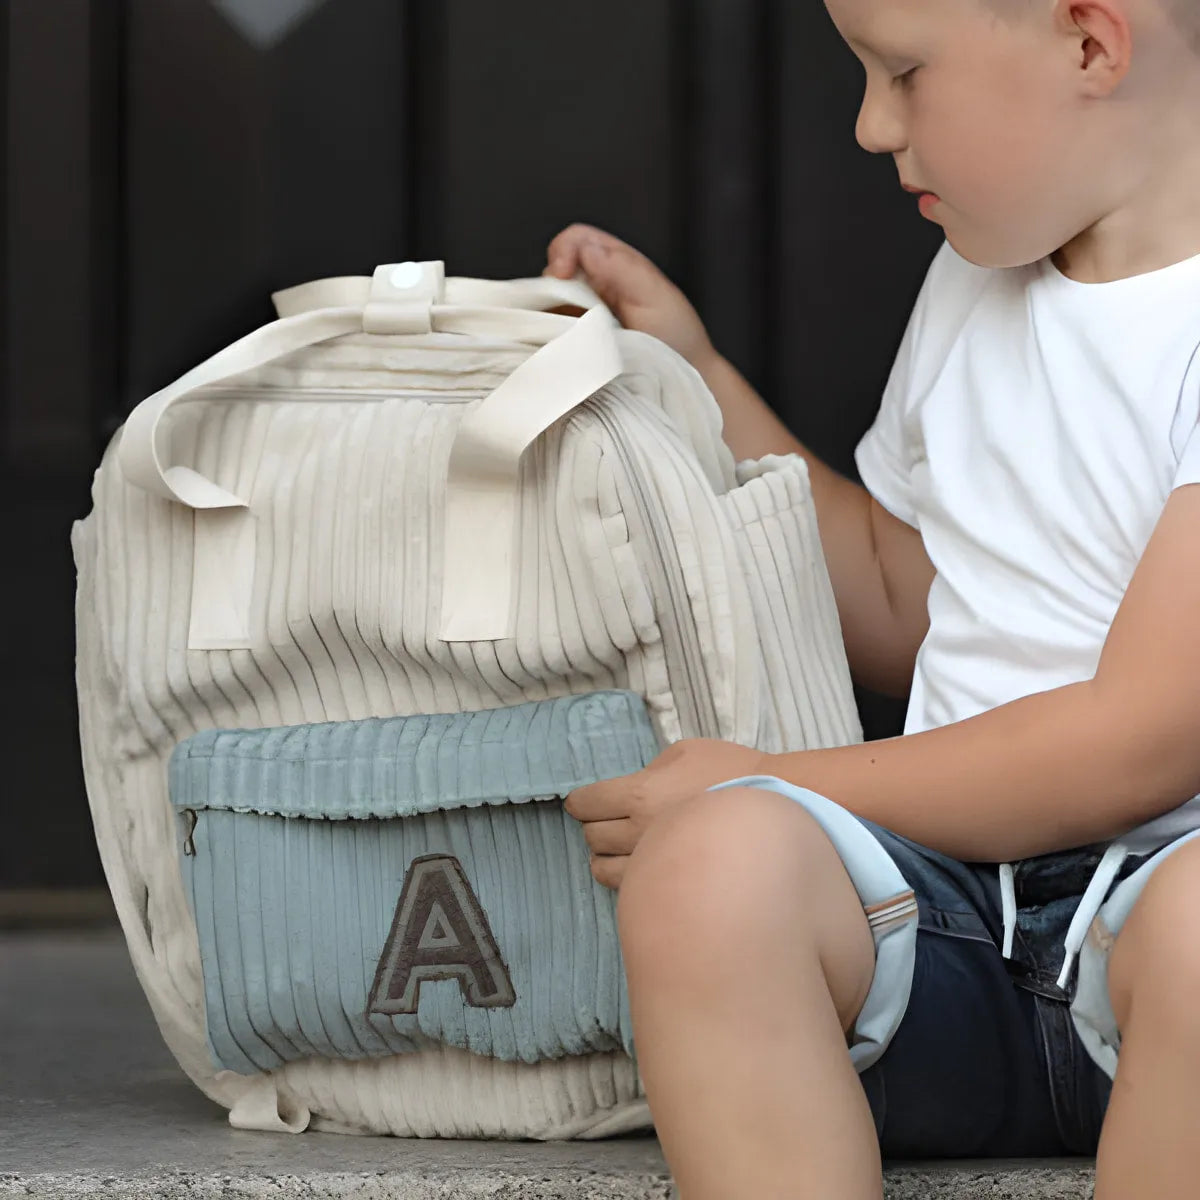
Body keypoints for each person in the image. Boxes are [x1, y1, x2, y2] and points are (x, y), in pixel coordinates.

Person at [543, 0, 1200, 1196]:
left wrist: (771, 774)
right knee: (710, 869)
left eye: (902, 73)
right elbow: (906, 599)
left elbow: (1143, 740)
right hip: (955, 922)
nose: (868, 125)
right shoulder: (974, 281)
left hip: (1164, 893)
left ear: (1093, 45)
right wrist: (698, 379)